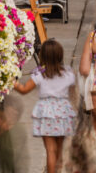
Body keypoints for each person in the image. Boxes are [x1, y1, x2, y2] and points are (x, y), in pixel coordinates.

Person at [14, 38, 77, 173]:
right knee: (59, 149)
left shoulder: (40, 73)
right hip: (63, 111)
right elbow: (72, 92)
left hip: (46, 111)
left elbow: (24, 89)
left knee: (50, 150)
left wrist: (11, 82)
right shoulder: (68, 73)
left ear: (42, 56)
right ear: (60, 55)